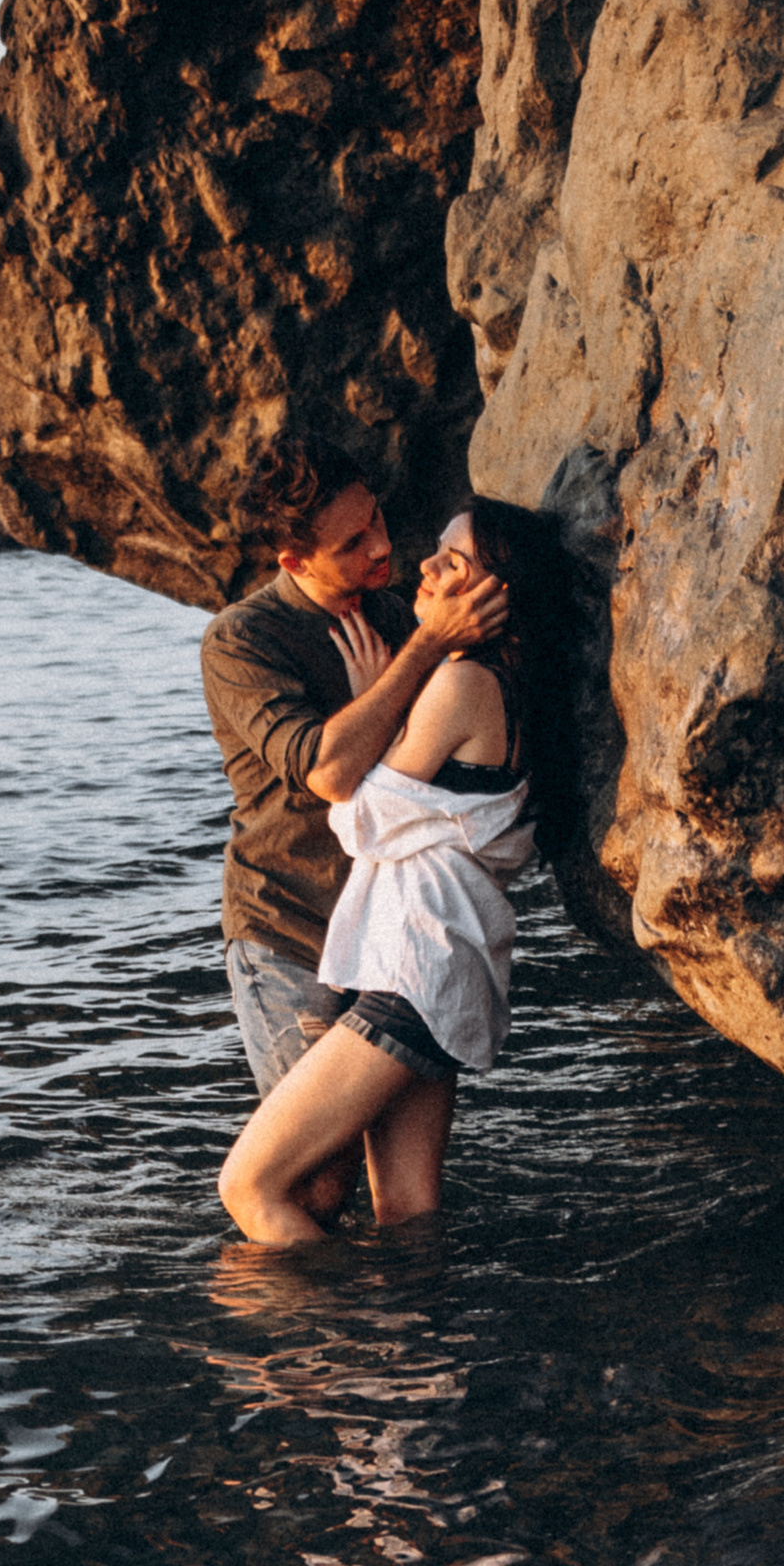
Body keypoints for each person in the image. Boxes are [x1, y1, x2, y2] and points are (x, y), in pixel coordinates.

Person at [217, 498, 569, 1248]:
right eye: (437, 548)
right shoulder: (507, 682)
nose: (425, 566)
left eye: (454, 562)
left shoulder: (461, 685)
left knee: (250, 1186)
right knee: (407, 1211)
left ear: (493, 594)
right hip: (447, 964)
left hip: (415, 966)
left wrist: (371, 699)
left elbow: (356, 817)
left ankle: (333, 1321)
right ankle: (413, 1328)